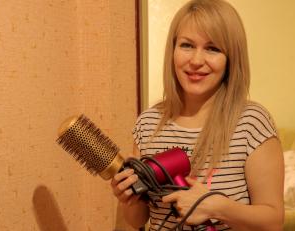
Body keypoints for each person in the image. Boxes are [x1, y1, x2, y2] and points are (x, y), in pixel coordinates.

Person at [111, 0, 284, 230]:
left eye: (213, 48)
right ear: (172, 50)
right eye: (186, 45)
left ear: (231, 59)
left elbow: (274, 221)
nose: (196, 61)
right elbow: (138, 219)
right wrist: (128, 200)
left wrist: (215, 207)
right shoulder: (148, 124)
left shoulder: (251, 123)